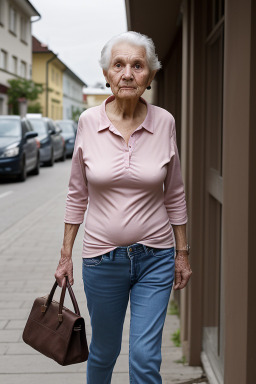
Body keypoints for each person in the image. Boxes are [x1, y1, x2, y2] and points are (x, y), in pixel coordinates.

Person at [55, 31, 192, 384]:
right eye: (119, 65)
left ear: (150, 76)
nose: (127, 73)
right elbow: (76, 193)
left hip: (156, 258)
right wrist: (66, 255)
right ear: (107, 74)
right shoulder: (88, 122)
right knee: (103, 350)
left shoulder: (164, 122)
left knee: (145, 357)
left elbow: (174, 192)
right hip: (102, 259)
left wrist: (182, 254)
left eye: (137, 65)